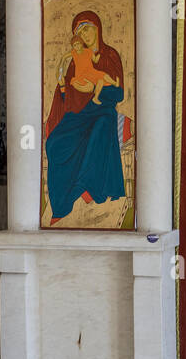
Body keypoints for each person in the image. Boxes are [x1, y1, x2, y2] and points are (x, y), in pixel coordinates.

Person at [43, 11, 127, 222]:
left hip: (102, 111)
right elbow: (66, 94)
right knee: (55, 142)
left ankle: (84, 187)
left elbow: (118, 93)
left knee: (98, 132)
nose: (85, 34)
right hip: (79, 112)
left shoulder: (109, 55)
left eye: (87, 28)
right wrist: (63, 87)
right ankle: (61, 205)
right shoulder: (74, 59)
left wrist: (92, 88)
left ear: (97, 28)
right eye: (80, 31)